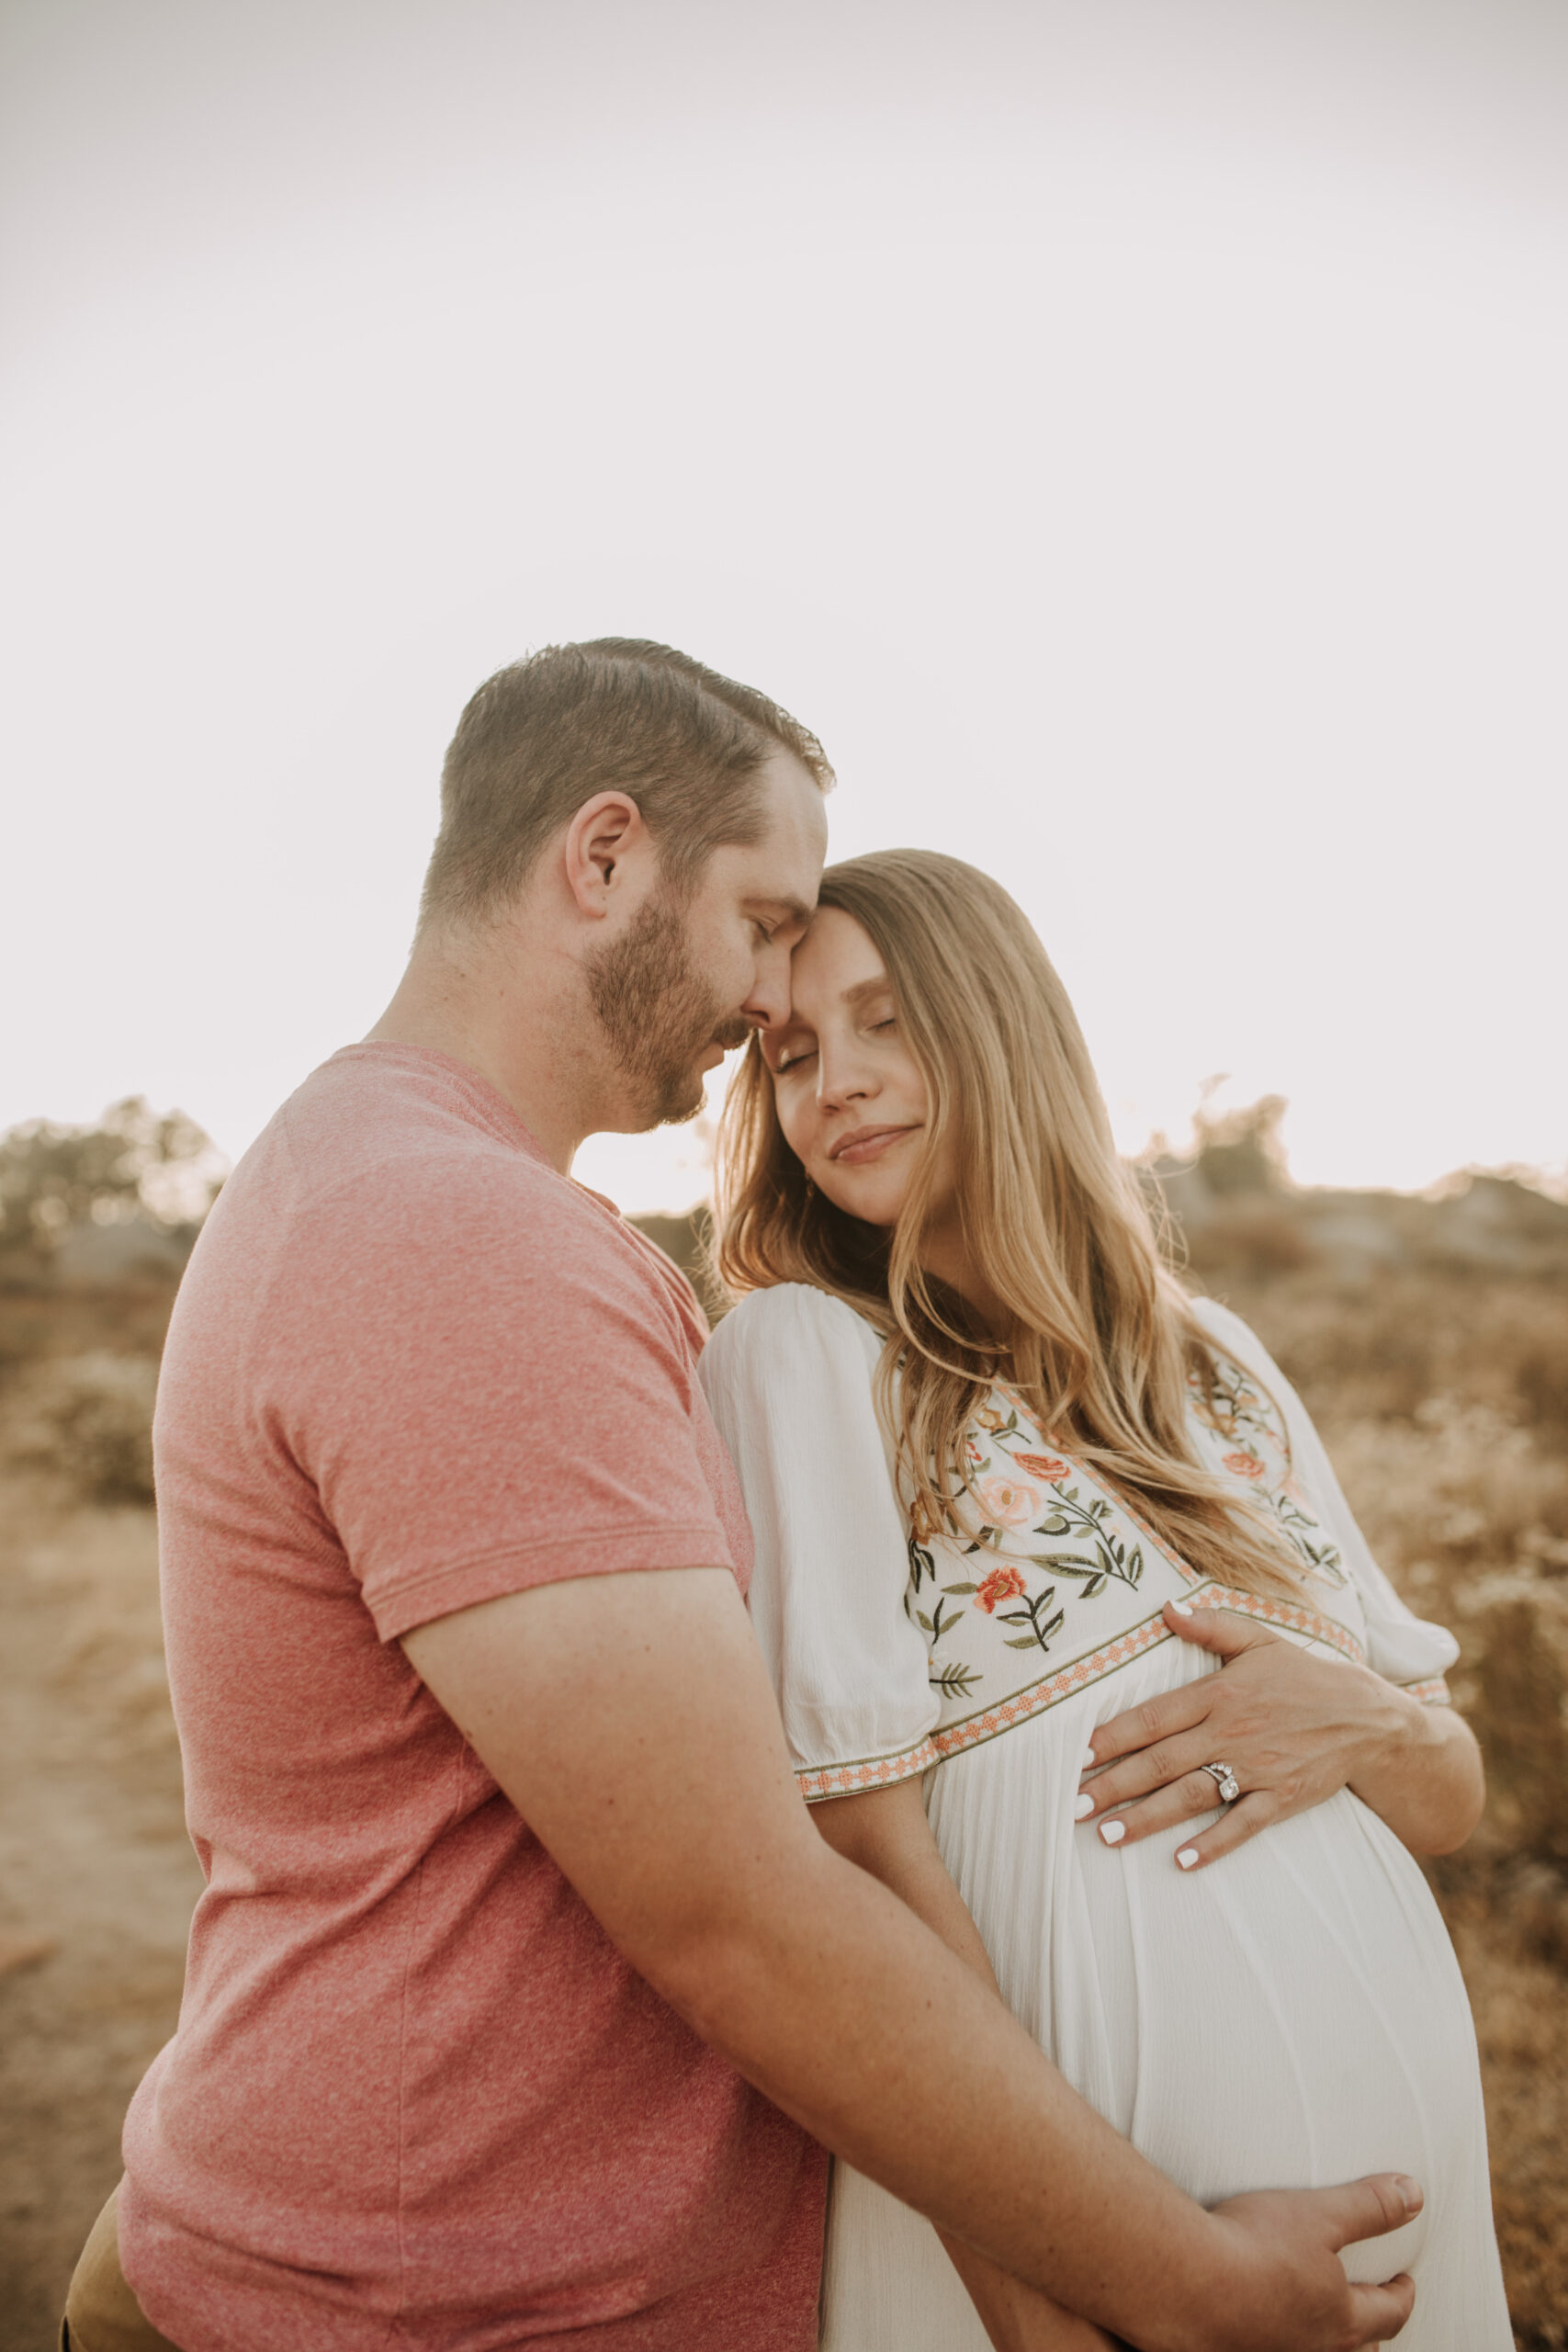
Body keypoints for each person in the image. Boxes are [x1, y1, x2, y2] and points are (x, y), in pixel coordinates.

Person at [65, 648, 1425, 2352]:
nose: (773, 1001)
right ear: (607, 857)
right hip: (436, 2305)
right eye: (768, 920)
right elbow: (745, 1918)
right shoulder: (455, 1234)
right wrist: (1187, 2286)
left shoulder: (398, 1187)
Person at [698, 846, 1513, 2352]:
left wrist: (1358, 1721)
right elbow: (854, 1848)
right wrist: (1043, 2304)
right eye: (794, 1052)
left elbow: (1447, 1788)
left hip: (1406, 2194)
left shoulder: (1212, 1359)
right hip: (1073, 2226)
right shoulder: (806, 1354)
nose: (836, 1085)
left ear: (1002, 1026)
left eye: (888, 1022)